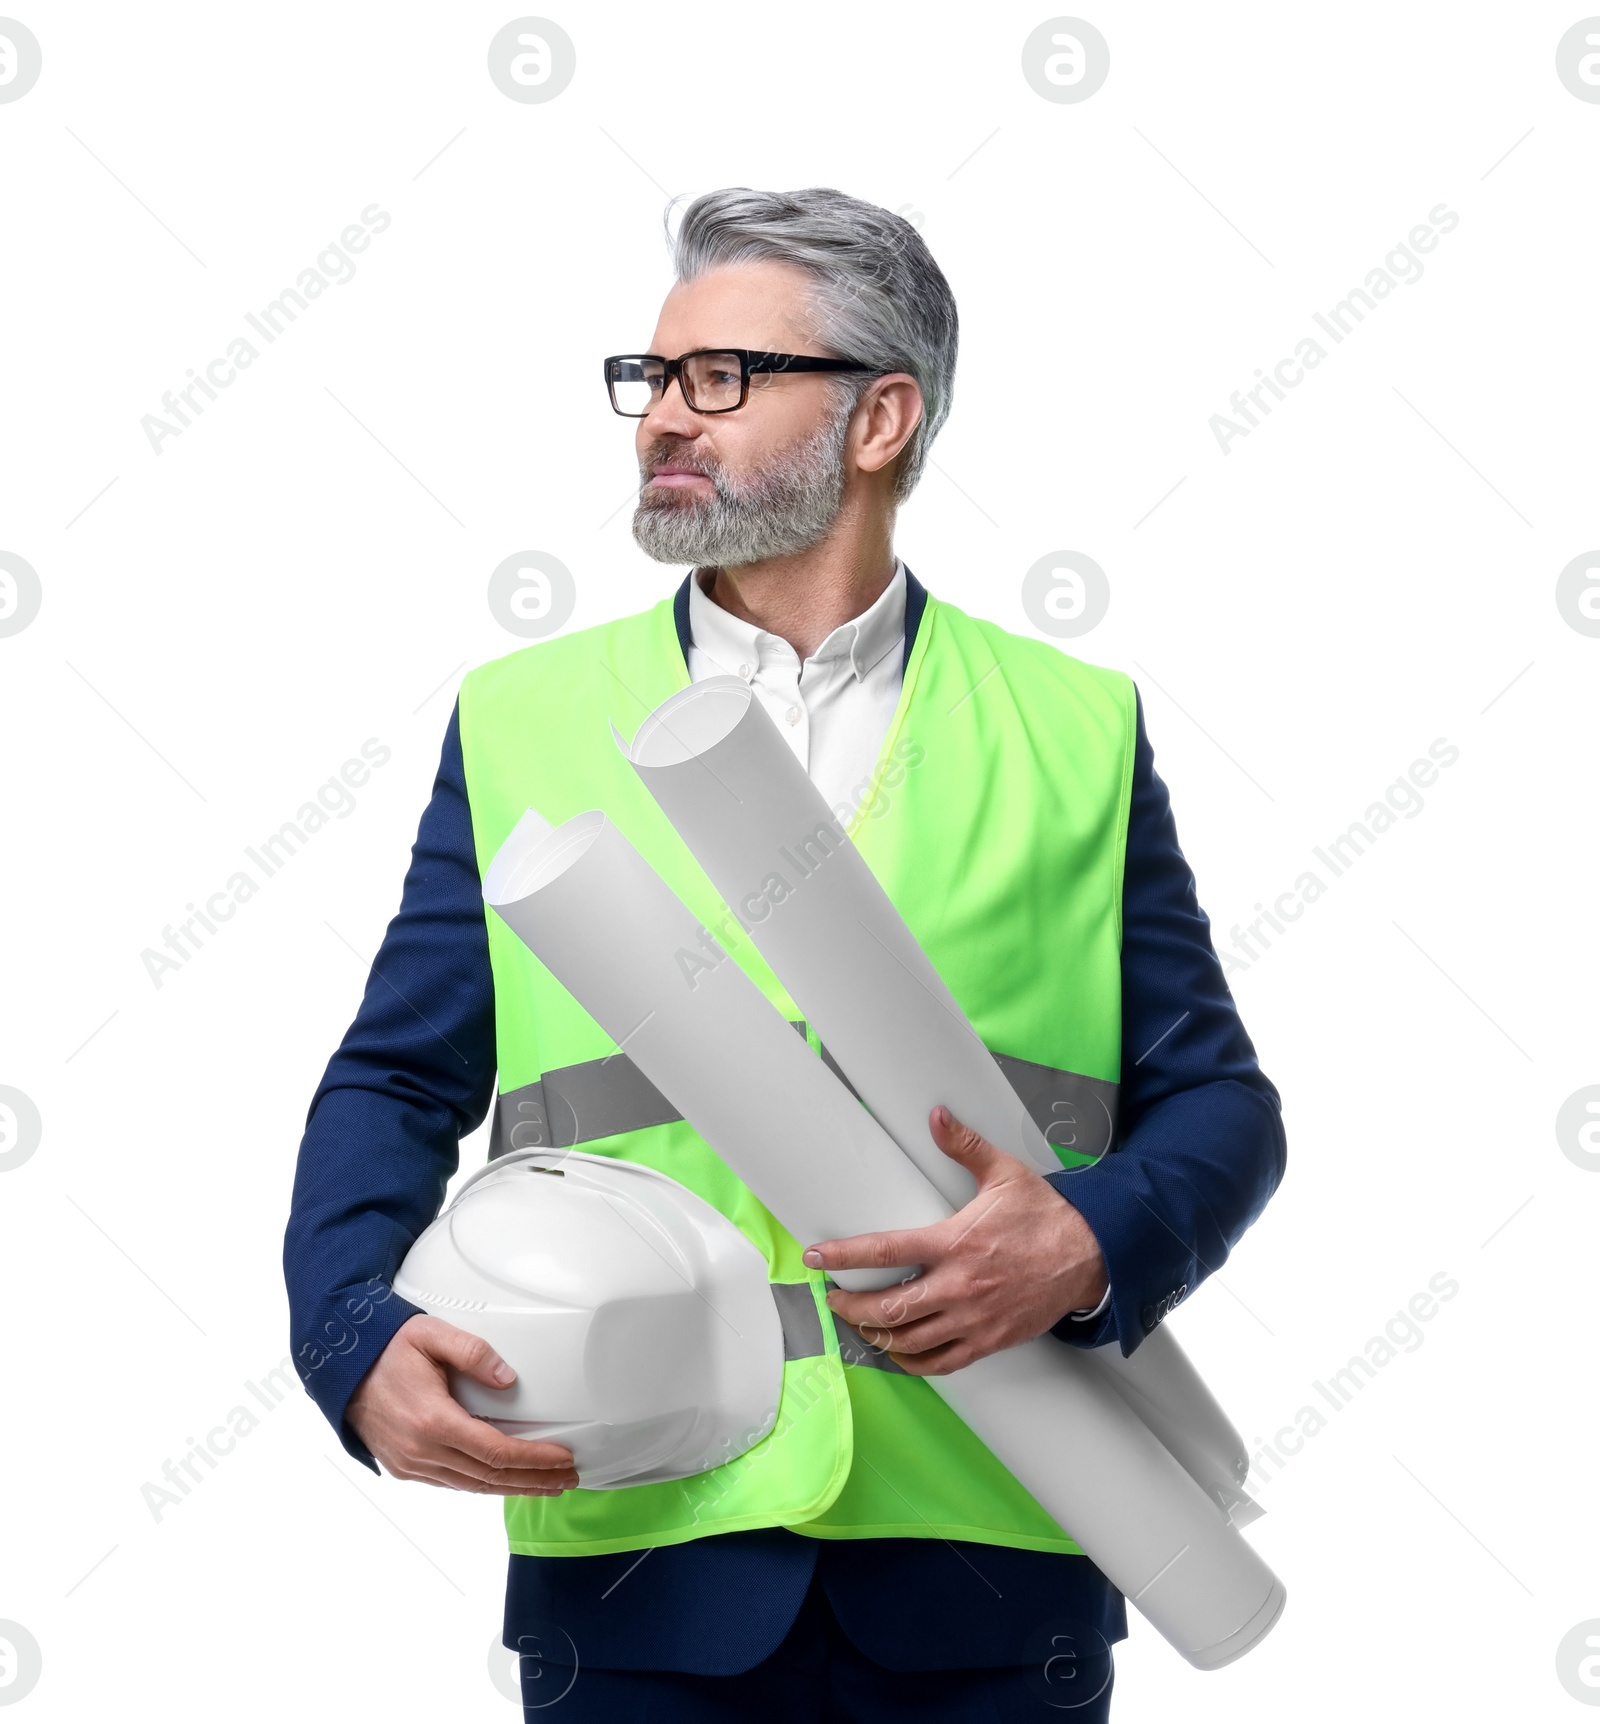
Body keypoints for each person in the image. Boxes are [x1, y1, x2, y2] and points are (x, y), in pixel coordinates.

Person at [283, 186, 1286, 1722]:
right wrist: (353, 1330)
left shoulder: (1074, 730)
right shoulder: (523, 717)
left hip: (994, 1543)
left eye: (721, 378)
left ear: (881, 417)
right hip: (642, 1541)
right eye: (654, 377)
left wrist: (1089, 1244)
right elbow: (398, 1075)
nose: (662, 421)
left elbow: (1219, 1104)